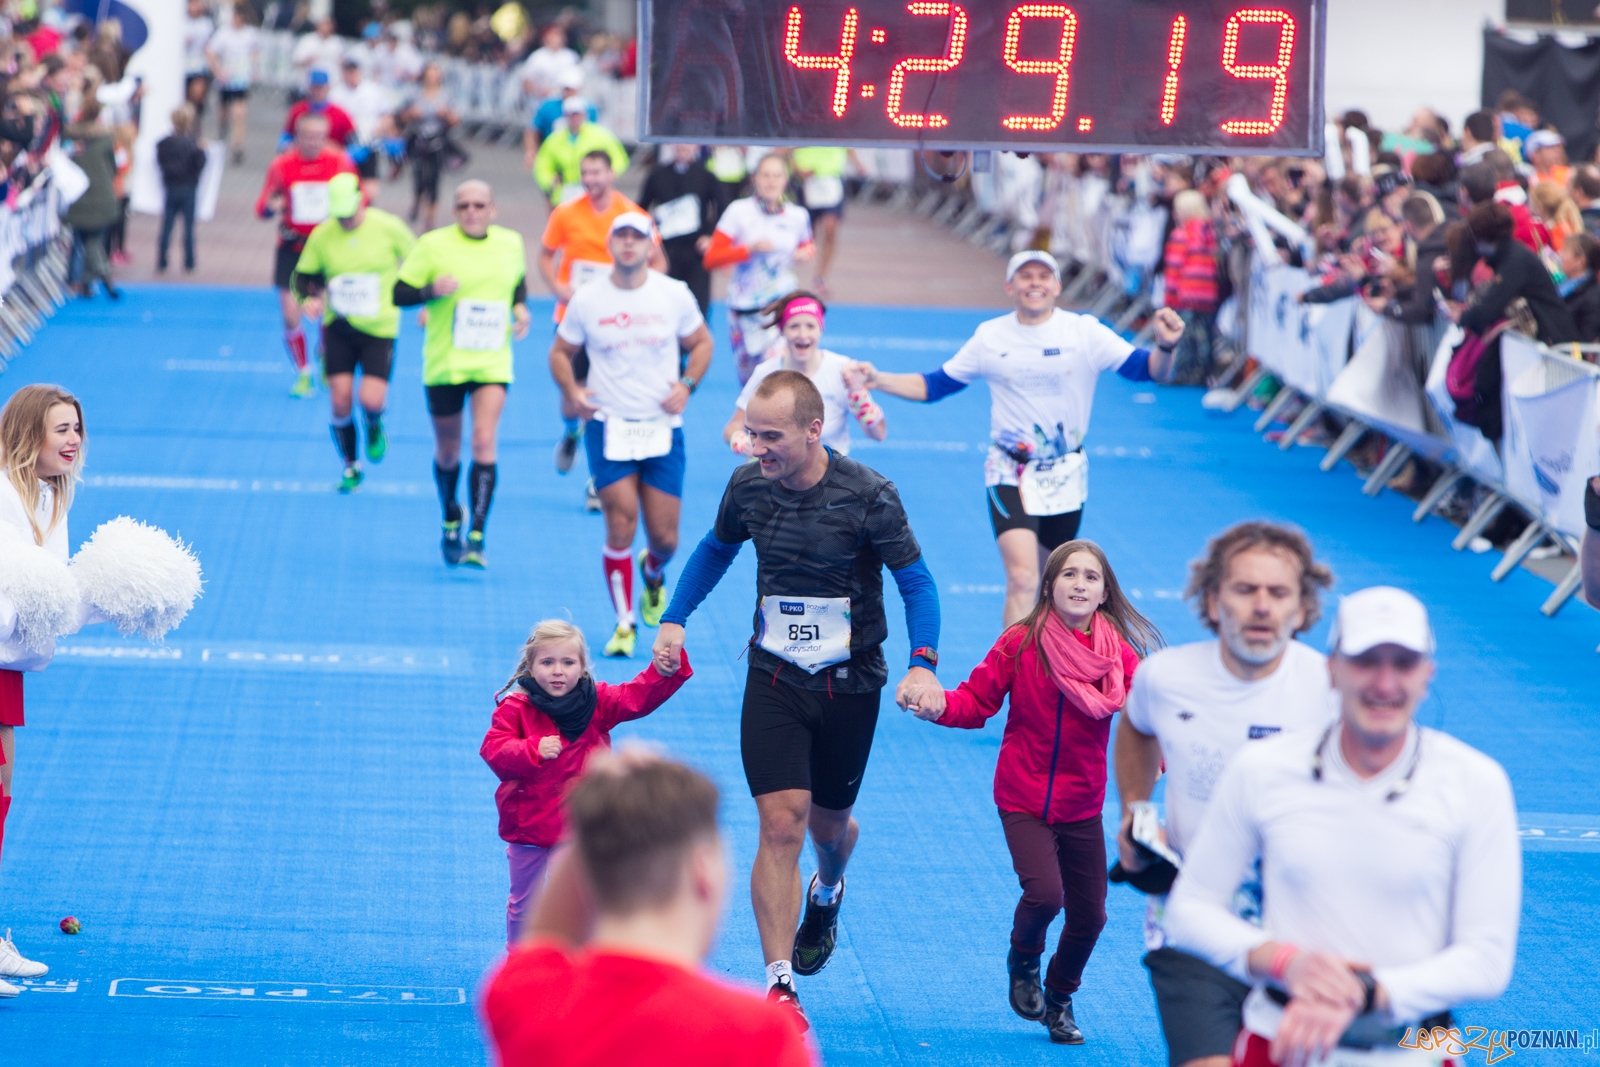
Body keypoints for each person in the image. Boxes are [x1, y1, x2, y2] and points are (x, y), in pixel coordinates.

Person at [651, 371, 942, 1029]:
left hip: (851, 684)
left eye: (771, 435)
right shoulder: (748, 485)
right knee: (781, 822)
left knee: (828, 828)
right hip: (775, 678)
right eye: (752, 431)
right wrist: (676, 615)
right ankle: (779, 983)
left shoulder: (870, 495)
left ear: (815, 429)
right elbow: (714, 549)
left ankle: (829, 885)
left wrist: (923, 665)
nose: (757, 446)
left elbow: (917, 585)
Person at [1164, 587, 1520, 1067]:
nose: (1385, 682)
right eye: (1366, 661)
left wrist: (1369, 992)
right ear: (1331, 670)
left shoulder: (1477, 783)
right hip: (1278, 1044)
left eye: (1404, 663)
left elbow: (1487, 959)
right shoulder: (1263, 770)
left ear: (1427, 676)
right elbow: (1189, 909)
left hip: (1418, 1053)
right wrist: (1286, 963)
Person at [910, 540, 1157, 1045]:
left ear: (1104, 592)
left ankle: (1060, 997)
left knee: (1091, 916)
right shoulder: (1019, 643)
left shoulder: (1121, 658)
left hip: (1081, 803)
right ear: (1049, 586)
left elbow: (1148, 727)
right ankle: (1024, 955)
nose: (1080, 585)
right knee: (1045, 895)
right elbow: (976, 702)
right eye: (1069, 575)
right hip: (1022, 796)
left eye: (1091, 577)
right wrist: (937, 705)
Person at [857, 251, 1186, 626]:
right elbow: (935, 384)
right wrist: (878, 379)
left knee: (1053, 584)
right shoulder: (990, 336)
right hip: (1009, 469)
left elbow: (1148, 371)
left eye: (1043, 276)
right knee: (1022, 578)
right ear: (1010, 286)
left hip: (1064, 473)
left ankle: (1051, 666)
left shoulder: (1084, 332)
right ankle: (1014, 672)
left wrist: (1166, 346)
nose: (1035, 283)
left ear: (1057, 286)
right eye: (1025, 276)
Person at [1114, 523, 1338, 1067]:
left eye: (1279, 592)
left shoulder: (1335, 690)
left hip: (1308, 930)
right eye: (1245, 589)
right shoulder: (1164, 678)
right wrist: (1137, 811)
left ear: (1303, 608)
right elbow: (1136, 727)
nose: (1261, 606)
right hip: (1193, 922)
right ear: (1213, 600)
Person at [480, 751, 814, 1066]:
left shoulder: (527, 997)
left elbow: (544, 937)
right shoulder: (761, 1035)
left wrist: (596, 813)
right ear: (702, 873)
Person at [549, 212, 713, 658]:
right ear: (609, 244)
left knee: (665, 539)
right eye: (620, 236)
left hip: (661, 428)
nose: (628, 244)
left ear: (650, 245)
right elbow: (561, 352)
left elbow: (702, 343)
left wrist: (687, 386)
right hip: (609, 425)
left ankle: (652, 572)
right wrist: (573, 391)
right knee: (619, 524)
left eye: (637, 237)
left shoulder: (673, 294)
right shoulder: (588, 298)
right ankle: (624, 623)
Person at [480, 619, 692, 947]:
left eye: (568, 662)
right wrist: (531, 749)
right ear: (530, 666)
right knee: (523, 904)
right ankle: (519, 962)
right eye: (547, 662)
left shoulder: (597, 701)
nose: (558, 671)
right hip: (529, 828)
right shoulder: (515, 708)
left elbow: (636, 697)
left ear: (582, 666)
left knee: (586, 902)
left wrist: (663, 672)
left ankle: (581, 964)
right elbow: (493, 749)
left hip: (580, 826)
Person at [394, 179, 530, 569]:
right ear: (454, 211)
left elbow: (516, 284)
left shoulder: (510, 243)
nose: (472, 211)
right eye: (464, 205)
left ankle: (477, 535)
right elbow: (398, 294)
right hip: (445, 362)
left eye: (479, 205)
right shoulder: (433, 245)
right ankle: (451, 513)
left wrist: (520, 310)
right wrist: (429, 291)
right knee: (449, 449)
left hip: (491, 361)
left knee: (484, 441)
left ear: (493, 209)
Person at [0, 385, 84, 996]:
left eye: (77, 428)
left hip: (6, 664)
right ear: (29, 434)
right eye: (60, 429)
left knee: (1, 796)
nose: (73, 439)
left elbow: (49, 600)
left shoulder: (50, 498)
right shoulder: (4, 494)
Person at [539, 150, 664, 496]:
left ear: (611, 174)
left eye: (597, 172)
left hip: (616, 322)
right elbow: (545, 255)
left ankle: (598, 479)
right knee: (572, 398)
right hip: (573, 316)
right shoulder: (566, 213)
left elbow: (659, 263)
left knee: (607, 399)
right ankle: (570, 432)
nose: (591, 179)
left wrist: (640, 294)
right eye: (585, 173)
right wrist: (557, 287)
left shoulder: (632, 216)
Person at [293, 172, 417, 493]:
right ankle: (351, 466)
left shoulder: (387, 227)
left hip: (380, 328)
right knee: (340, 401)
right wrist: (307, 299)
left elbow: (418, 260)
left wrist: (424, 297)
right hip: (339, 326)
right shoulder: (322, 235)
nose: (345, 220)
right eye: (339, 214)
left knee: (371, 399)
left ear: (362, 199)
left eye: (349, 212)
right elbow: (302, 275)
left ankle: (374, 424)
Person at [1454, 202, 1579, 442]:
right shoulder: (1509, 257)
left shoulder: (1514, 260)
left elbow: (1488, 309)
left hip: (1554, 345)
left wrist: (1463, 316)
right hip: (1546, 344)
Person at [255, 111, 358, 399]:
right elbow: (262, 205)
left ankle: (326, 356)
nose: (313, 143)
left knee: (328, 313)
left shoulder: (339, 162)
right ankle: (303, 372)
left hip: (328, 249)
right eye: (307, 137)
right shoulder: (282, 165)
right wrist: (270, 207)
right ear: (297, 137)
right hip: (293, 248)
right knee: (290, 313)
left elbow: (357, 198)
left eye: (318, 137)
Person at [722, 291, 885, 455]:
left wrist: (859, 397)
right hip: (778, 472)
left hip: (829, 474)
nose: (803, 335)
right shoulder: (765, 373)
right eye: (794, 326)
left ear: (821, 329)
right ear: (782, 331)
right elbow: (732, 427)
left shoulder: (842, 370)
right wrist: (741, 443)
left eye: (810, 326)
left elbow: (878, 434)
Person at [704, 154, 815, 384]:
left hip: (781, 304)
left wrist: (804, 253)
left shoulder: (798, 215)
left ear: (786, 180)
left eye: (777, 175)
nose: (771, 181)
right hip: (743, 306)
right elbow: (711, 257)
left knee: (778, 375)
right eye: (766, 175)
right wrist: (747, 249)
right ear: (754, 179)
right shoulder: (738, 212)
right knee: (751, 383)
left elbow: (807, 244)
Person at [639, 143, 722, 315]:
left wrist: (710, 235)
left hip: (696, 253)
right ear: (671, 145)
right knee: (664, 303)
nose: (683, 147)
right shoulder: (657, 175)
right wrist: (650, 238)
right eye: (679, 143)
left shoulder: (706, 176)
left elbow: (722, 208)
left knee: (697, 305)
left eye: (688, 143)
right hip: (666, 251)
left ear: (697, 147)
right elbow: (641, 208)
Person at [64, 99, 122, 300]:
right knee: (93, 239)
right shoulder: (105, 138)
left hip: (78, 194)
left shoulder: (70, 137)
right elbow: (113, 167)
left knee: (88, 239)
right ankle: (103, 275)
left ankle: (87, 282)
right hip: (101, 193)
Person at [1161, 189, 1220, 385]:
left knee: (1185, 336)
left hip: (1185, 294)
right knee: (1204, 335)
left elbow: (1174, 268)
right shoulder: (1211, 233)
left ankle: (1184, 372)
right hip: (1207, 293)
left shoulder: (1181, 234)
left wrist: (1169, 298)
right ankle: (1203, 372)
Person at [397, 63, 462, 232]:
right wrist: (411, 114)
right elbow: (401, 117)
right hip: (419, 139)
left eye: (435, 74)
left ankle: (430, 217)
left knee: (434, 180)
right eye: (429, 74)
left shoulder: (446, 95)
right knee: (418, 176)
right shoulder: (414, 94)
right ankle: (417, 200)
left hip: (437, 140)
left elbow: (456, 120)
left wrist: (445, 114)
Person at [532, 97, 629, 205]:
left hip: (594, 188)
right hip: (565, 190)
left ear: (584, 114)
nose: (575, 118)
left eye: (577, 114)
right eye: (571, 114)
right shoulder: (555, 138)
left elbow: (619, 157)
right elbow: (543, 163)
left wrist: (610, 174)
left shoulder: (600, 135)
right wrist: (548, 181)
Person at [791, 146, 855, 298]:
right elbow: (784, 148)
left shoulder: (839, 127)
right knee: (806, 234)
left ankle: (820, 277)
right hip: (807, 181)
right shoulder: (801, 122)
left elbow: (849, 145)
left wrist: (858, 165)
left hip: (831, 181)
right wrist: (795, 167)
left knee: (830, 229)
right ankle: (787, 275)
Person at [328, 56, 394, 199]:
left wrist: (381, 128)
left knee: (370, 184)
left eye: (354, 72)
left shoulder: (373, 90)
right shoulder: (335, 93)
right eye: (348, 72)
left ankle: (367, 206)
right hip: (346, 143)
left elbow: (387, 115)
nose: (351, 76)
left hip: (368, 142)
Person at [156, 104, 207, 275]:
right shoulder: (192, 145)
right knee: (188, 227)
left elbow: (160, 162)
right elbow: (200, 164)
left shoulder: (164, 144)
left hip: (171, 187)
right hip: (188, 188)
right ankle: (190, 262)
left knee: (167, 226)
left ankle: (162, 261)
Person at [206, 4, 258, 164]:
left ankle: (238, 145)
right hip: (226, 76)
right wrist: (218, 71)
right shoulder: (224, 34)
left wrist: (254, 70)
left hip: (241, 77)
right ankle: (222, 131)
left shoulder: (250, 34)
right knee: (224, 111)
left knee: (239, 112)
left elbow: (255, 53)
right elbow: (210, 52)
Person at [522, 66, 591, 164]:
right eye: (566, 88)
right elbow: (532, 130)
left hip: (580, 159)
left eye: (572, 89)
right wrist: (531, 151)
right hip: (552, 156)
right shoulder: (548, 106)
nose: (569, 92)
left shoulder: (590, 108)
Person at [282, 69, 358, 155]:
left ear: (328, 87)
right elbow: (284, 139)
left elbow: (357, 148)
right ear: (309, 88)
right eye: (315, 87)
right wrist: (289, 146)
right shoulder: (297, 111)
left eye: (321, 87)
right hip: (303, 160)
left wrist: (339, 153)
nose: (318, 91)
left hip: (333, 162)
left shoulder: (341, 114)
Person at [518, 23, 580, 103]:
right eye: (552, 35)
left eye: (558, 35)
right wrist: (539, 91)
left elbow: (578, 81)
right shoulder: (537, 57)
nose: (555, 38)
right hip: (541, 100)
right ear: (545, 38)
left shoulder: (570, 56)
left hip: (565, 100)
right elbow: (526, 82)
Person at [1558, 232, 1600, 341]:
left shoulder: (1592, 297)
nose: (1560, 255)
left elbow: (1586, 339)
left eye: (1565, 251)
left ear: (1579, 261)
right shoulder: (1562, 284)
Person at [181, 0, 214, 125]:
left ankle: (195, 125)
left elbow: (209, 47)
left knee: (197, 97)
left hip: (198, 67)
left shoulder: (206, 24)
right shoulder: (181, 22)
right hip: (183, 67)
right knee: (184, 99)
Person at [291, 16, 345, 80]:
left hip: (331, 83)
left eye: (329, 24)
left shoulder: (337, 42)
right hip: (310, 82)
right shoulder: (308, 40)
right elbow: (296, 61)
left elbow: (343, 63)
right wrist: (307, 60)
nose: (327, 27)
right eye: (324, 24)